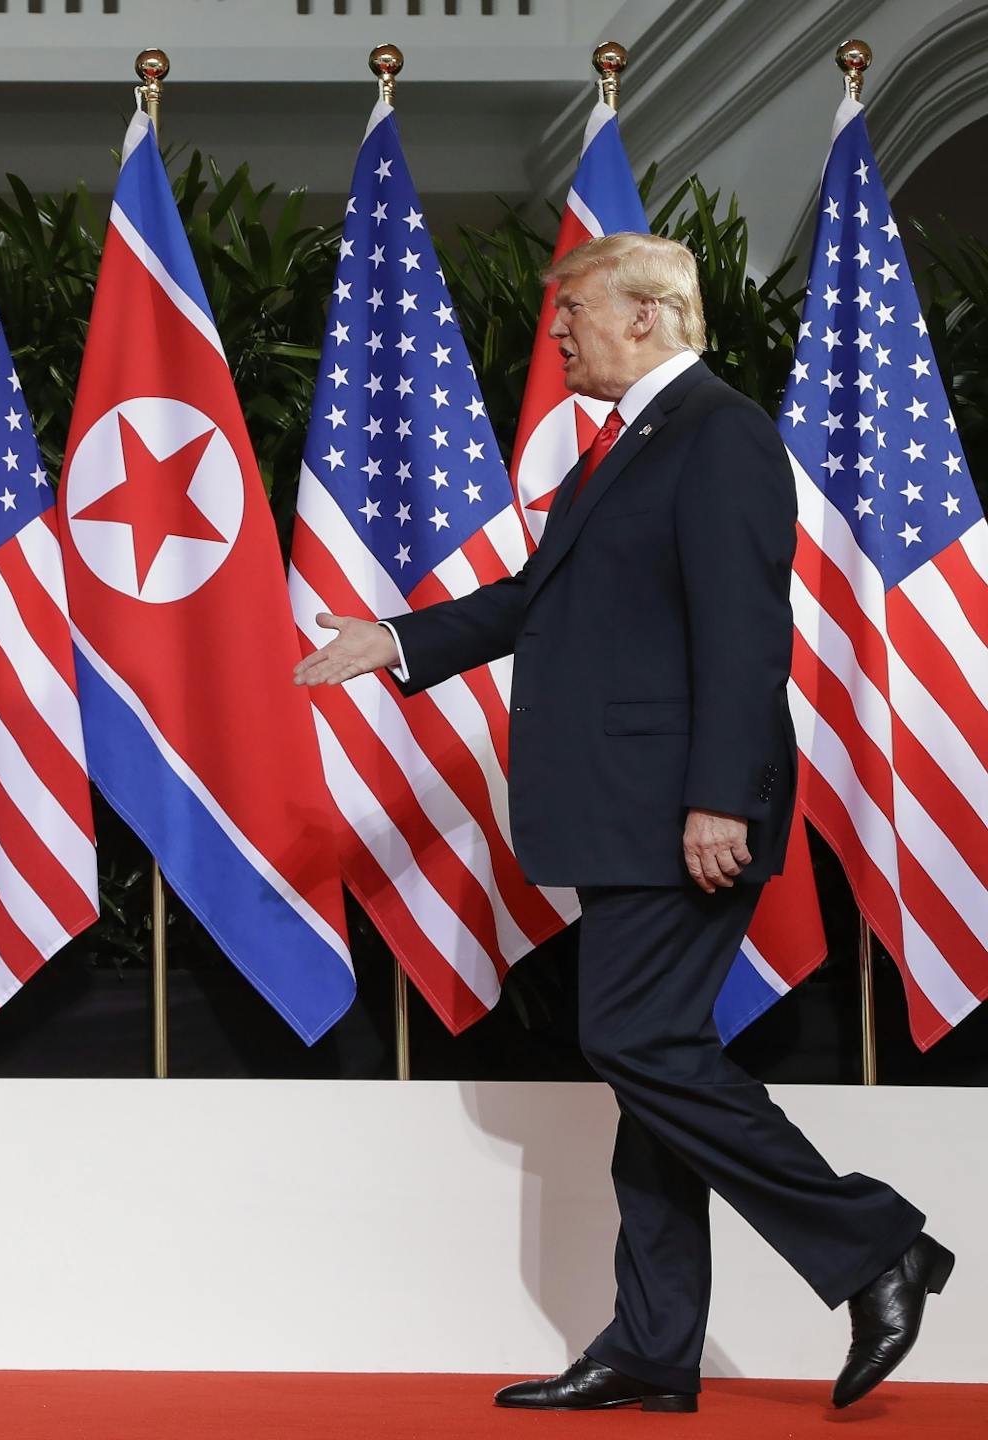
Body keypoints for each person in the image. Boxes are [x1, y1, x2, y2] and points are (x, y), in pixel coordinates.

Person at [294, 233, 950, 1414]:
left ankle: (875, 1244)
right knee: (650, 1070)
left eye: (576, 311)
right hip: (624, 814)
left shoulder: (722, 433)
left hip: (680, 813)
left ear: (648, 314)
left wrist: (718, 796)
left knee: (637, 1045)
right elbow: (540, 600)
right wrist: (393, 642)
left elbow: (747, 636)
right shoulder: (625, 448)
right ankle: (653, 1345)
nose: (557, 332)